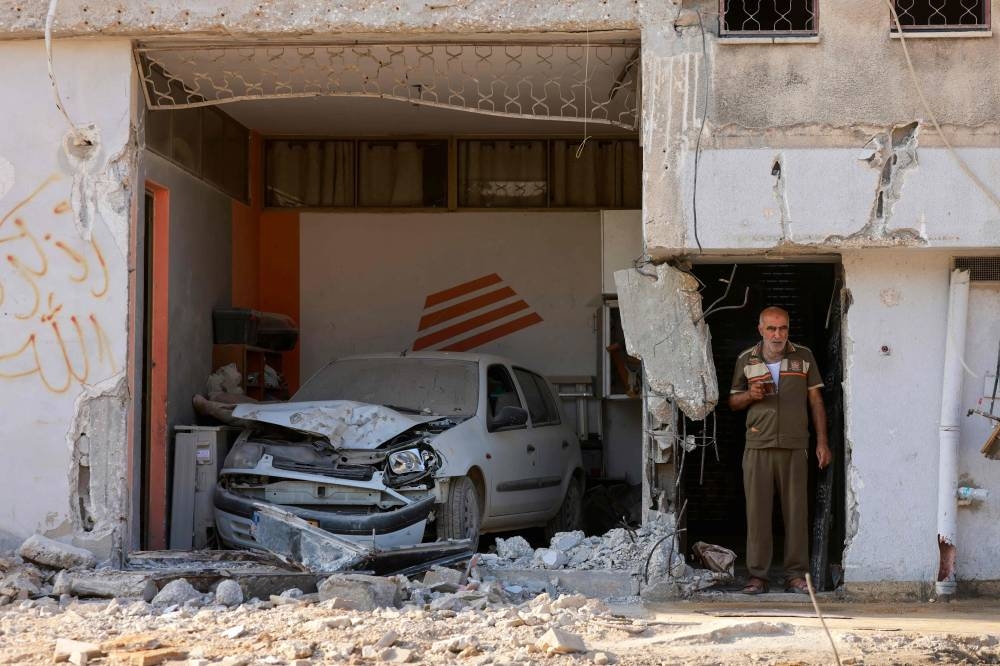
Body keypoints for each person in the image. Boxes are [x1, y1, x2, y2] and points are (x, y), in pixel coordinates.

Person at [728, 306, 831, 595]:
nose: (778, 334)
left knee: (797, 513)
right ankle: (758, 577)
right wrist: (750, 395)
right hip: (758, 445)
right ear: (760, 329)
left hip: (795, 444)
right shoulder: (745, 359)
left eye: (783, 328)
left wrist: (822, 442)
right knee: (758, 514)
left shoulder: (804, 356)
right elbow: (732, 402)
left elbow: (816, 402)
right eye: (772, 329)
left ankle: (796, 575)